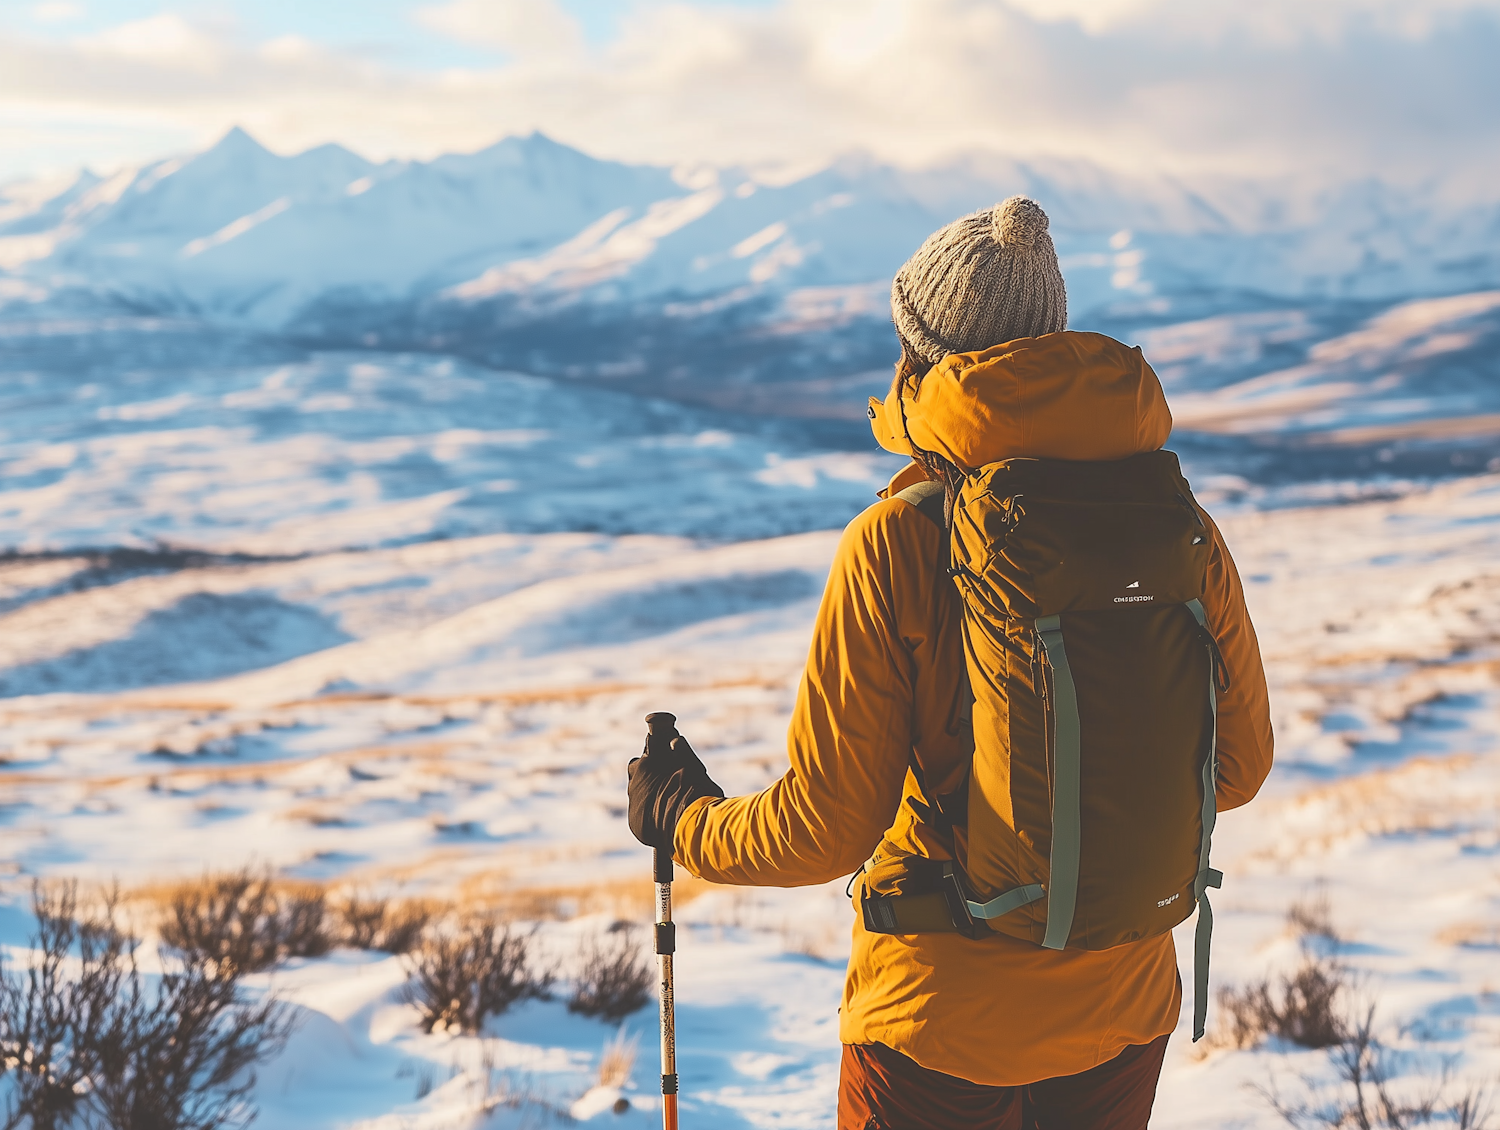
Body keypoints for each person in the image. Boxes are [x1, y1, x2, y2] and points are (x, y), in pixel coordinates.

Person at [627, 196, 1273, 1129]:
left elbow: (825, 831)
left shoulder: (898, 541)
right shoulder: (1180, 529)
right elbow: (1239, 769)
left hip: (937, 1031)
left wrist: (683, 821)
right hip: (1125, 1018)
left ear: (923, 362)